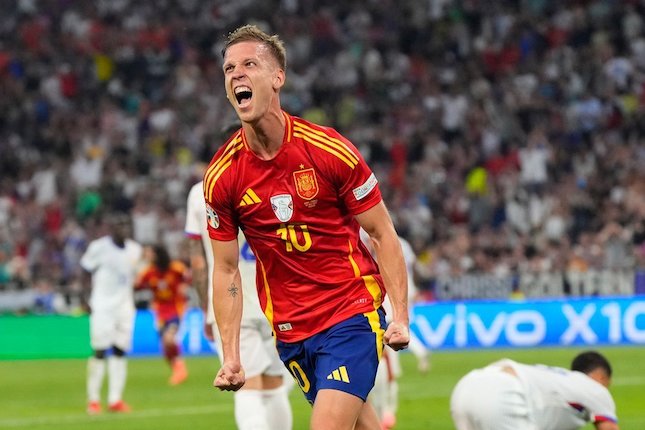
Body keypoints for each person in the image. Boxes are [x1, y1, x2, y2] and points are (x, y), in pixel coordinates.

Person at [203, 24, 410, 430]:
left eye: (249, 64)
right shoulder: (223, 176)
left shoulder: (327, 150)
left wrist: (400, 315)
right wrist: (230, 354)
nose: (237, 74)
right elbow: (226, 269)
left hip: (349, 312)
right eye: (229, 69)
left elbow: (382, 232)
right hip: (291, 330)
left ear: (277, 77)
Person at [186, 174, 293, 430]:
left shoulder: (201, 191)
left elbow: (198, 261)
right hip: (275, 301)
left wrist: (205, 307)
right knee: (274, 384)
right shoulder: (274, 178)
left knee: (248, 384)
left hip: (231, 301)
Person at [450, 350, 619, 430]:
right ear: (603, 378)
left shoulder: (563, 383)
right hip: (504, 392)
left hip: (466, 386)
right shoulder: (596, 389)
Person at [80, 213, 143, 415]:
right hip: (102, 305)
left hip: (125, 306)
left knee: (119, 351)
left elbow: (136, 276)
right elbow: (84, 270)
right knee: (99, 351)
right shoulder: (99, 247)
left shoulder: (135, 249)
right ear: (112, 228)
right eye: (120, 225)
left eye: (127, 224)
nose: (124, 228)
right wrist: (84, 298)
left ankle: (115, 399)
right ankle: (94, 400)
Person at [135, 244, 190, 386]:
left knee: (169, 338)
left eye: (149, 253)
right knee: (165, 346)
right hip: (159, 312)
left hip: (175, 308)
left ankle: (180, 367)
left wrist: (184, 288)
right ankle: (178, 369)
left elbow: (188, 277)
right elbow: (136, 285)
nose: (147, 256)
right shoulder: (149, 272)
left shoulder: (175, 267)